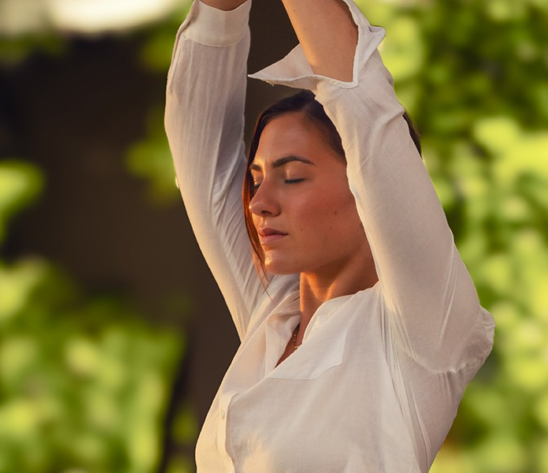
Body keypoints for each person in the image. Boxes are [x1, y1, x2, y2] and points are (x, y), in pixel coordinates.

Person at [163, 0, 495, 471]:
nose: (258, 203)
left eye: (292, 177)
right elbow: (199, 150)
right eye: (256, 180)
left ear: (365, 185)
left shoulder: (422, 332)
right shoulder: (273, 318)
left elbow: (363, 103)